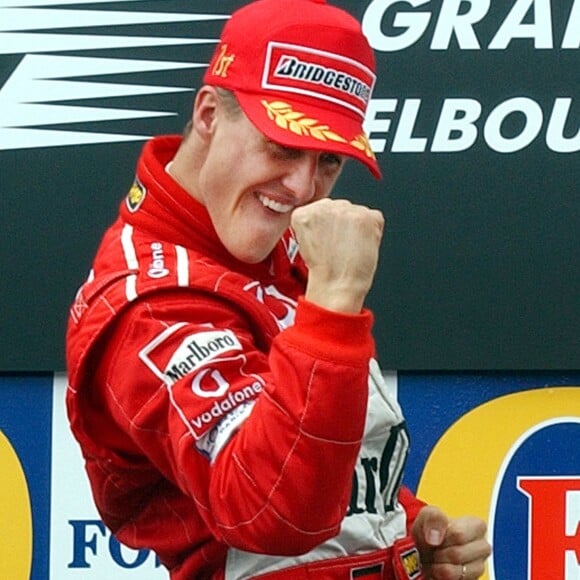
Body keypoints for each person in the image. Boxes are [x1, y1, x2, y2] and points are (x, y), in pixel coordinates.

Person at [66, 0, 492, 578]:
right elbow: (272, 513)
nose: (301, 187)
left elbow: (316, 456)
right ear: (211, 113)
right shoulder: (150, 304)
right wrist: (335, 308)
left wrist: (405, 533)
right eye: (284, 147)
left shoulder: (262, 245)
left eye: (328, 162)